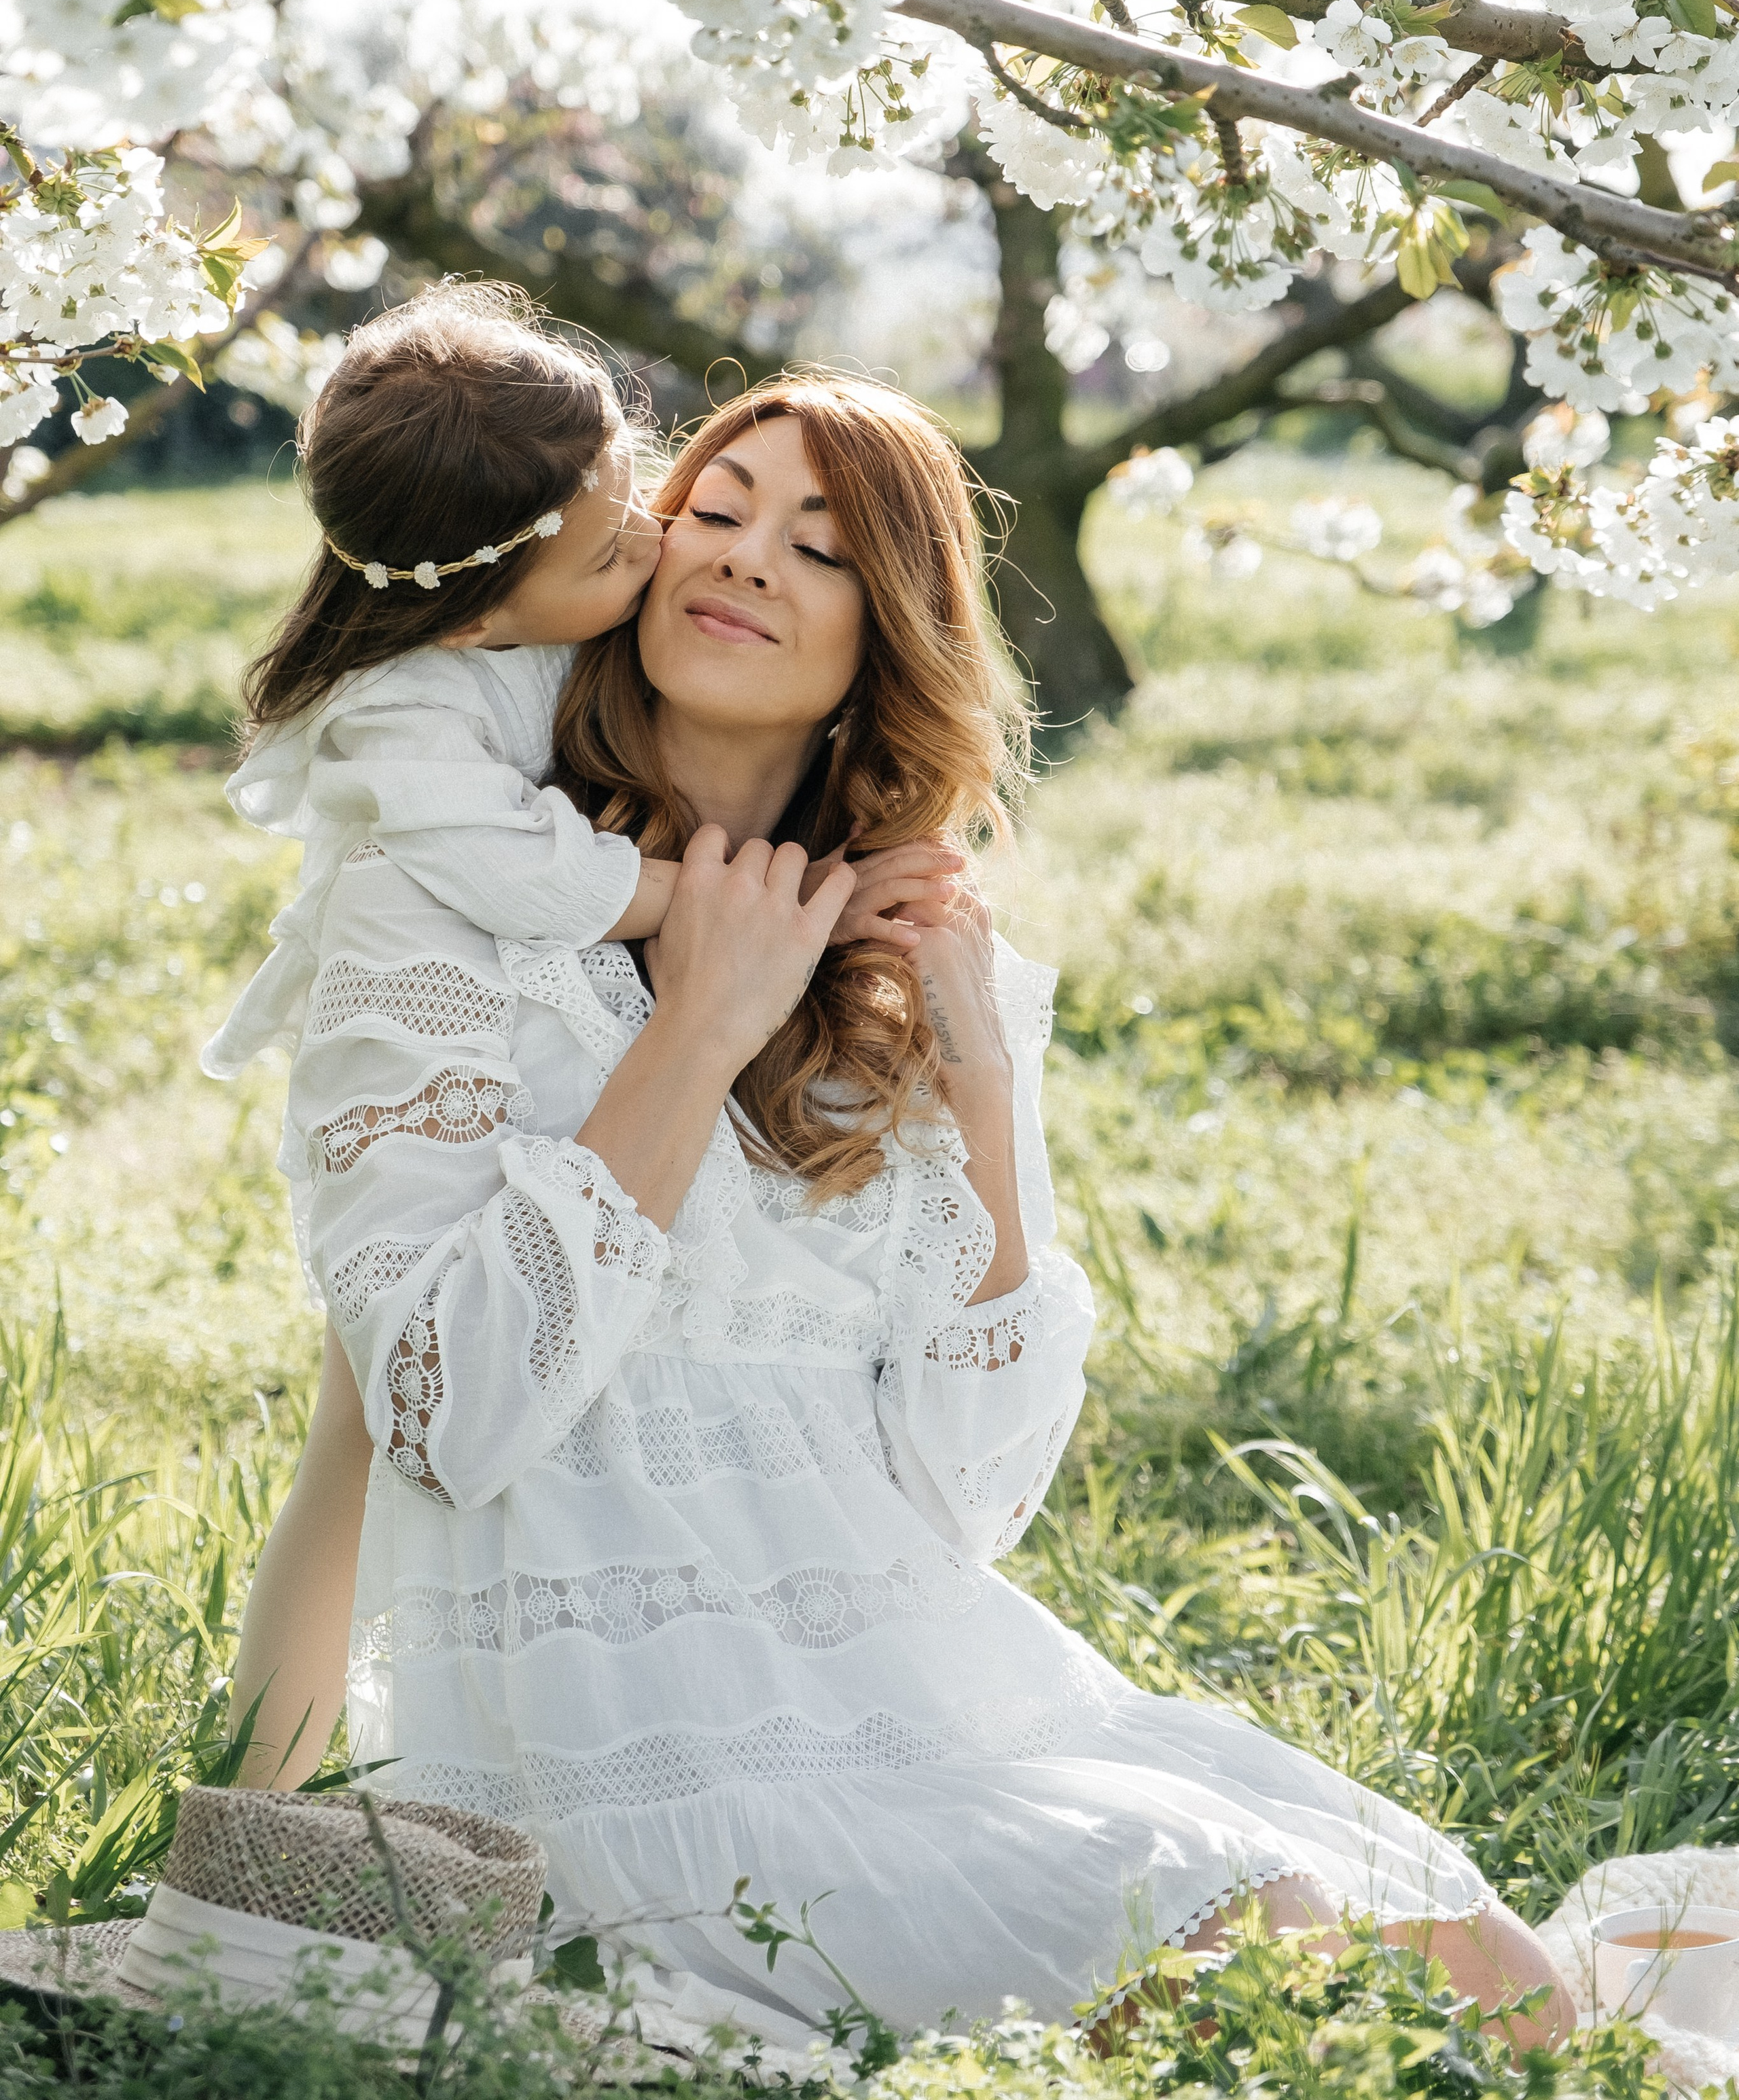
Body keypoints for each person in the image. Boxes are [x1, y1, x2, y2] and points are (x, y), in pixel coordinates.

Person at [285, 372, 1574, 2044]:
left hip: (926, 1695)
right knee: (1270, 1954)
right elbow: (444, 1414)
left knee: (1501, 1983)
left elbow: (966, 1494)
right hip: (630, 1749)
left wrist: (980, 1084)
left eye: (817, 550)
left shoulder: (913, 969)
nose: (746, 560)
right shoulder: (442, 911)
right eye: (717, 507)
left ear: (883, 637)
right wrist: (695, 1022)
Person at [211, 291, 955, 1788]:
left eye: (642, 494)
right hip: (456, 973)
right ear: (496, 598)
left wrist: (814, 921)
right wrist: (707, 915)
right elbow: (500, 872)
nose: (695, 551)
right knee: (365, 1418)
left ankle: (256, 1819)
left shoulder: (571, 607)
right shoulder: (438, 702)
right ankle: (246, 1832)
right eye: (688, 520)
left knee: (365, 1423)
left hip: (813, 1652)